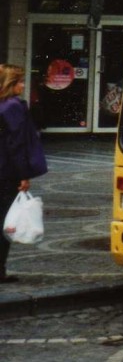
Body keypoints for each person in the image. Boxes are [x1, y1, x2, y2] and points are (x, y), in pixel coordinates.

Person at [0, 64, 48, 283]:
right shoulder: (13, 107)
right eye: (19, 81)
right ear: (10, 84)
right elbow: (16, 144)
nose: (23, 85)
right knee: (4, 221)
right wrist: (23, 175)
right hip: (7, 172)